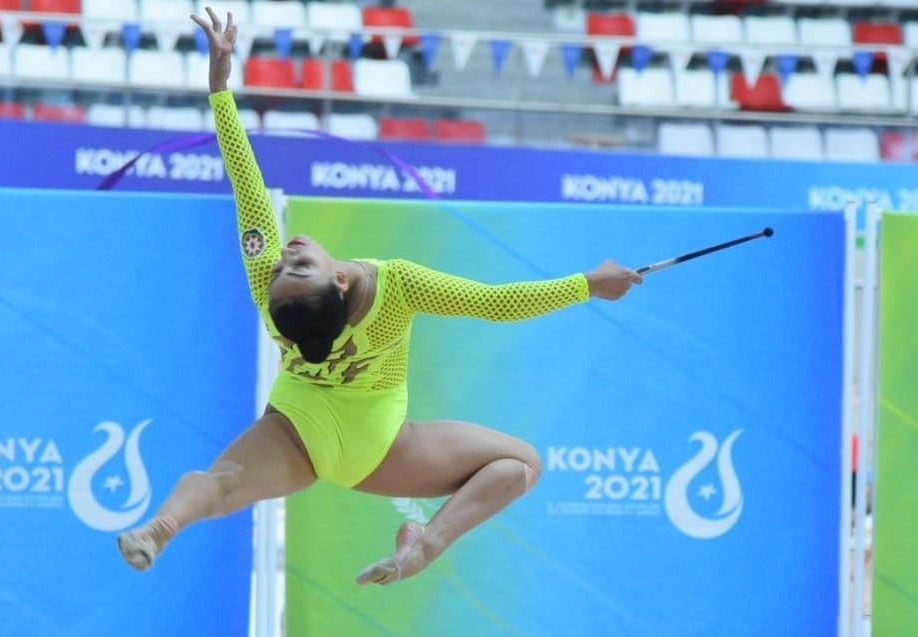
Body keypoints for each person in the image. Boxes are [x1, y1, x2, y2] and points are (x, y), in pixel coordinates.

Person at [118, 7, 642, 585]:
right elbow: (498, 303)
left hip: (298, 431)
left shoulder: (273, 293)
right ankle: (424, 544)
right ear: (337, 280)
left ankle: (165, 524)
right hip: (375, 448)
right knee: (522, 464)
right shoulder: (395, 285)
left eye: (288, 265)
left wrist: (220, 89)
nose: (287, 254)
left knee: (221, 485)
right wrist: (591, 283)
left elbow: (248, 185)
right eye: (297, 265)